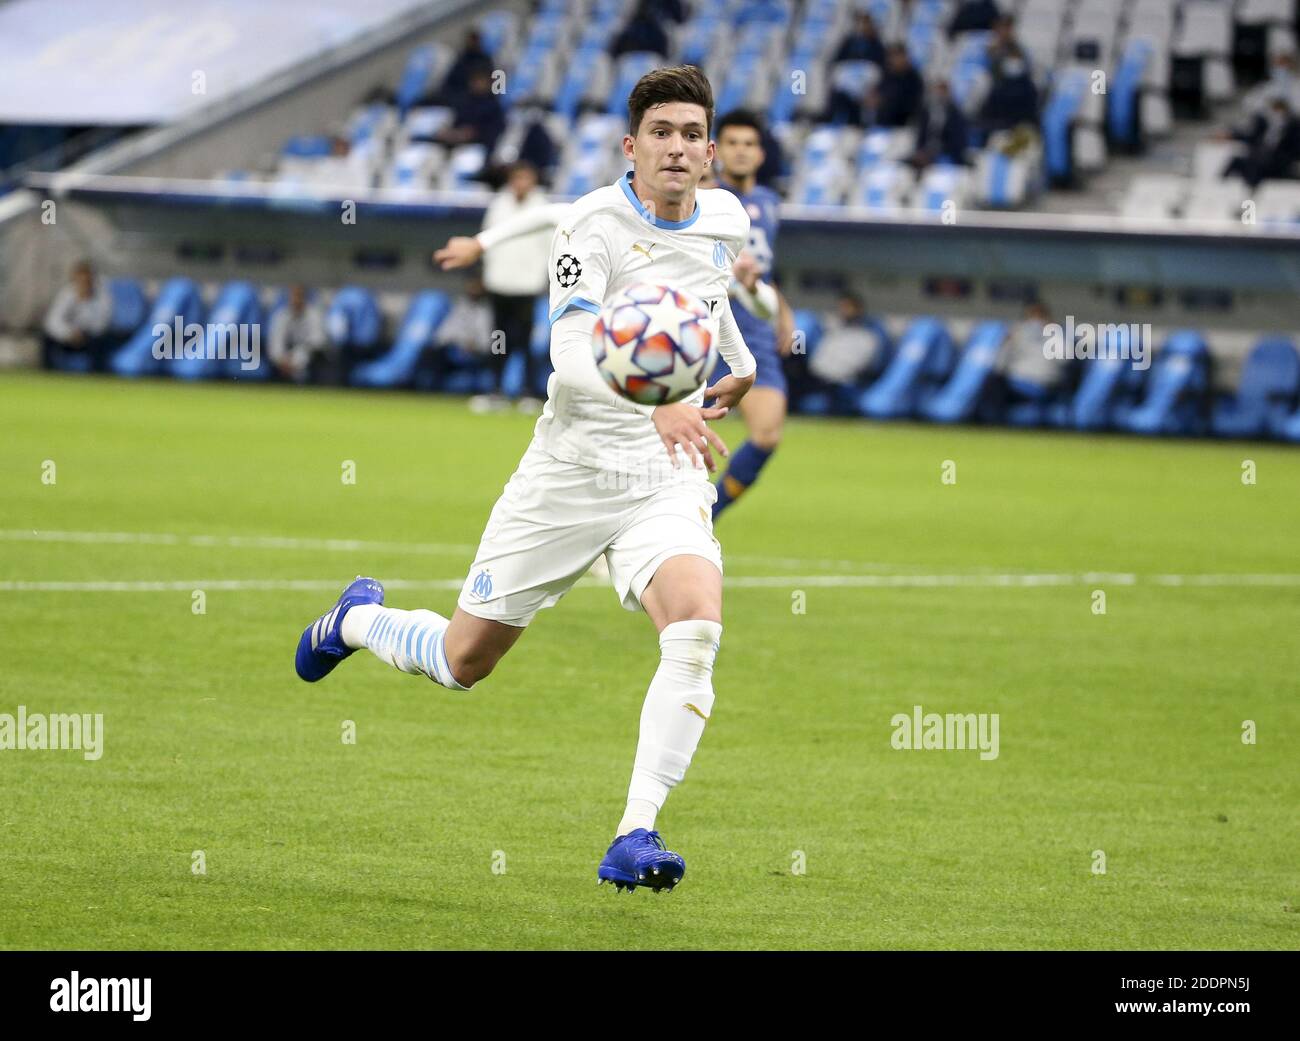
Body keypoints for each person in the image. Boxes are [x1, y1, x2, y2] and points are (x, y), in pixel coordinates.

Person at [297, 65, 756, 893]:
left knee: (696, 626)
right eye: (663, 133)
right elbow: (570, 355)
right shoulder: (592, 226)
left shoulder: (726, 218)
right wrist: (654, 402)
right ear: (632, 145)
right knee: (463, 661)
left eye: (693, 134)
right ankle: (358, 620)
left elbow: (709, 300)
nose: (679, 148)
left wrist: (743, 366)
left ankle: (635, 830)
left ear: (711, 150)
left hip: (664, 474)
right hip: (571, 471)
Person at [708, 109, 793, 521]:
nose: (741, 152)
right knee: (674, 439)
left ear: (760, 154)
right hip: (708, 328)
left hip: (756, 331)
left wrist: (783, 311)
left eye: (749, 144)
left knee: (766, 434)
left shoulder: (769, 203)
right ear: (717, 150)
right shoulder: (704, 197)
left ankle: (707, 516)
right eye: (732, 143)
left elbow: (764, 269)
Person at [42, 260, 113, 371]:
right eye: (81, 280)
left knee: (102, 342)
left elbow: (103, 322)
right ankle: (48, 371)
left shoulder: (102, 296)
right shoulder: (66, 294)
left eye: (87, 280)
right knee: (47, 338)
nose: (84, 283)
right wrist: (69, 333)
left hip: (90, 337)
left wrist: (84, 332)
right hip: (68, 337)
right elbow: (53, 321)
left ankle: (97, 373)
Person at [1222, 97, 1300, 187]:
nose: (1275, 114)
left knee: (1256, 168)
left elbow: (1294, 148)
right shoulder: (1264, 124)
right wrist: (1231, 136)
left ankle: (1251, 193)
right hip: (1260, 159)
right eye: (1273, 110)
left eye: (1278, 110)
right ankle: (1218, 190)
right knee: (1236, 161)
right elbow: (1251, 137)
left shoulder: (1293, 126)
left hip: (1279, 163)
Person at [266, 285, 329, 383]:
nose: (296, 300)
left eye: (299, 296)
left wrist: (296, 360)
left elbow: (317, 343)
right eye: (293, 296)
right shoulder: (281, 316)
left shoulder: (314, 316)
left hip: (310, 362)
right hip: (283, 364)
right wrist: (282, 360)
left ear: (304, 297)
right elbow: (275, 344)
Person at [909, 80, 971, 169]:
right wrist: (920, 150)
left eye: (943, 92)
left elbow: (958, 140)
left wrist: (938, 150)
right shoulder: (926, 111)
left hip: (946, 151)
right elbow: (921, 134)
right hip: (926, 150)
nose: (939, 95)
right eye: (937, 92)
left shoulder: (956, 114)